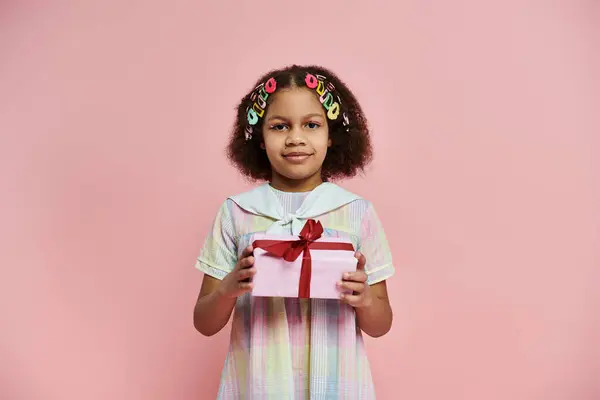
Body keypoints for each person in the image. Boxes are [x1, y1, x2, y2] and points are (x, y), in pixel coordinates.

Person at [193, 64, 395, 399]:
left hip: (335, 383)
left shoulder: (357, 212)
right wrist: (228, 288)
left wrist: (364, 300)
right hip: (259, 385)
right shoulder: (237, 212)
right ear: (259, 136)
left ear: (332, 136)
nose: (296, 138)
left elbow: (381, 324)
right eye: (280, 126)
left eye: (311, 125)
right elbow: (204, 322)